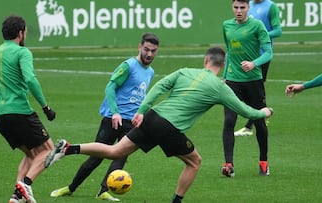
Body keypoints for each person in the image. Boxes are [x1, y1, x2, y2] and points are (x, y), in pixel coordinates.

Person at [44, 46, 274, 203]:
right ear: (222, 66)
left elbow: (159, 87)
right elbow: (244, 110)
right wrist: (263, 111)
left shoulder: (185, 71)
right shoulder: (221, 87)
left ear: (205, 61)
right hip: (170, 128)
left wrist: (142, 111)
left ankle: (69, 148)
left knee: (116, 151)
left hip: (153, 116)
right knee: (195, 162)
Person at [49, 33, 159, 201]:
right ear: (139, 47)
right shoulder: (128, 66)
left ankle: (103, 191)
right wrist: (115, 112)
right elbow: (110, 88)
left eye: (153, 51)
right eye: (146, 49)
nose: (149, 54)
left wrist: (141, 114)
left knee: (121, 156)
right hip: (113, 119)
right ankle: (70, 188)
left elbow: (140, 96)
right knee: (96, 158)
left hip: (132, 122)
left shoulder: (150, 72)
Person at [0, 15, 56, 203]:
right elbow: (30, 79)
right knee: (49, 151)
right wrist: (45, 107)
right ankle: (25, 184)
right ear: (20, 33)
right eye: (25, 32)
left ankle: (16, 197)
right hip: (20, 112)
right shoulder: (22, 52)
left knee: (31, 153)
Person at [221, 0, 273, 177]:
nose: (238, 11)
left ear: (248, 8)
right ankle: (228, 165)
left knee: (259, 121)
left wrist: (254, 63)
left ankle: (264, 162)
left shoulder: (257, 26)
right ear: (232, 7)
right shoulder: (226, 25)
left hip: (253, 82)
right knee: (229, 121)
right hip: (232, 82)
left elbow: (268, 52)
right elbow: (229, 50)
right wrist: (225, 77)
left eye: (242, 7)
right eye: (236, 7)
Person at [234, 0, 282, 137]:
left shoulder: (270, 7)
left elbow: (278, 31)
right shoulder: (248, 5)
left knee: (254, 91)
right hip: (246, 55)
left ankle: (249, 126)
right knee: (250, 92)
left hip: (262, 56)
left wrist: (260, 34)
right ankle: (263, 113)